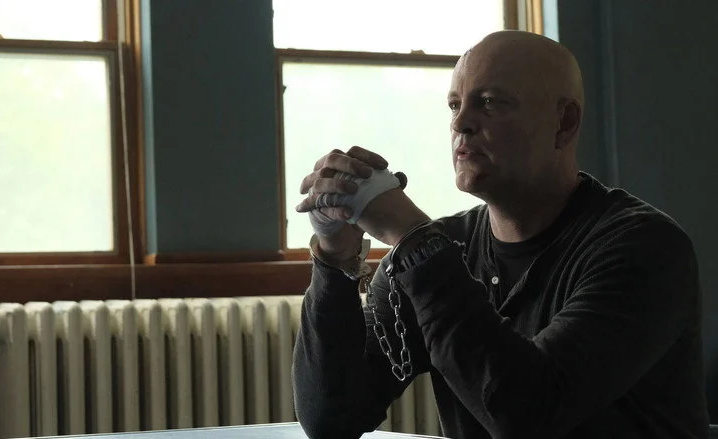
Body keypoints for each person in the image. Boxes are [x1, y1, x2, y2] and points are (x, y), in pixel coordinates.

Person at [291, 30, 709, 439]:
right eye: (454, 105)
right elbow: (331, 419)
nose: (460, 123)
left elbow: (529, 415)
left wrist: (415, 239)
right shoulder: (445, 245)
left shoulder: (645, 248)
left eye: (490, 102)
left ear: (564, 123)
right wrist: (334, 255)